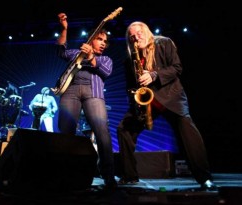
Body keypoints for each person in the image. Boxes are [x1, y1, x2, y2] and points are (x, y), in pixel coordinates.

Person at [117, 21, 218, 191]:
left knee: (189, 134)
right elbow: (130, 87)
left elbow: (177, 68)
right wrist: (135, 101)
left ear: (147, 31)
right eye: (132, 36)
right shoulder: (130, 60)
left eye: (139, 33)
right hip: (146, 102)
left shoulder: (163, 43)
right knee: (124, 129)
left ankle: (204, 178)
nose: (136, 38)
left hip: (171, 97)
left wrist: (154, 75)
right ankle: (129, 176)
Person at [52, 13, 116, 189]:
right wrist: (64, 28)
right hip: (70, 91)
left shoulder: (105, 59)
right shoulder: (76, 53)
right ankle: (64, 174)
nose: (103, 43)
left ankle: (108, 175)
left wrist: (90, 57)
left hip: (93, 92)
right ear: (91, 39)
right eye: (100, 39)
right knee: (65, 132)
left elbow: (105, 72)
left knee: (102, 132)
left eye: (105, 41)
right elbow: (60, 50)